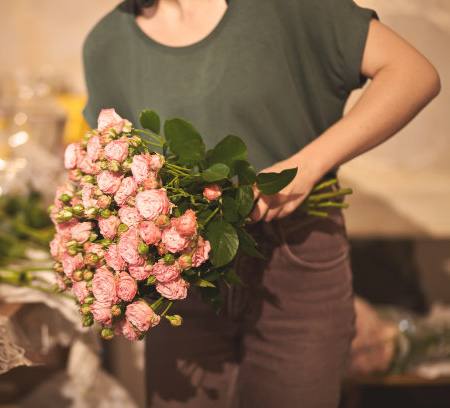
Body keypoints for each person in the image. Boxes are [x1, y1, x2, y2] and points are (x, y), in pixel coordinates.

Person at [82, 0, 440, 407]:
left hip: (297, 262)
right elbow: (116, 171)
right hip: (183, 282)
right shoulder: (106, 42)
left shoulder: (289, 8)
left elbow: (412, 74)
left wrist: (306, 165)